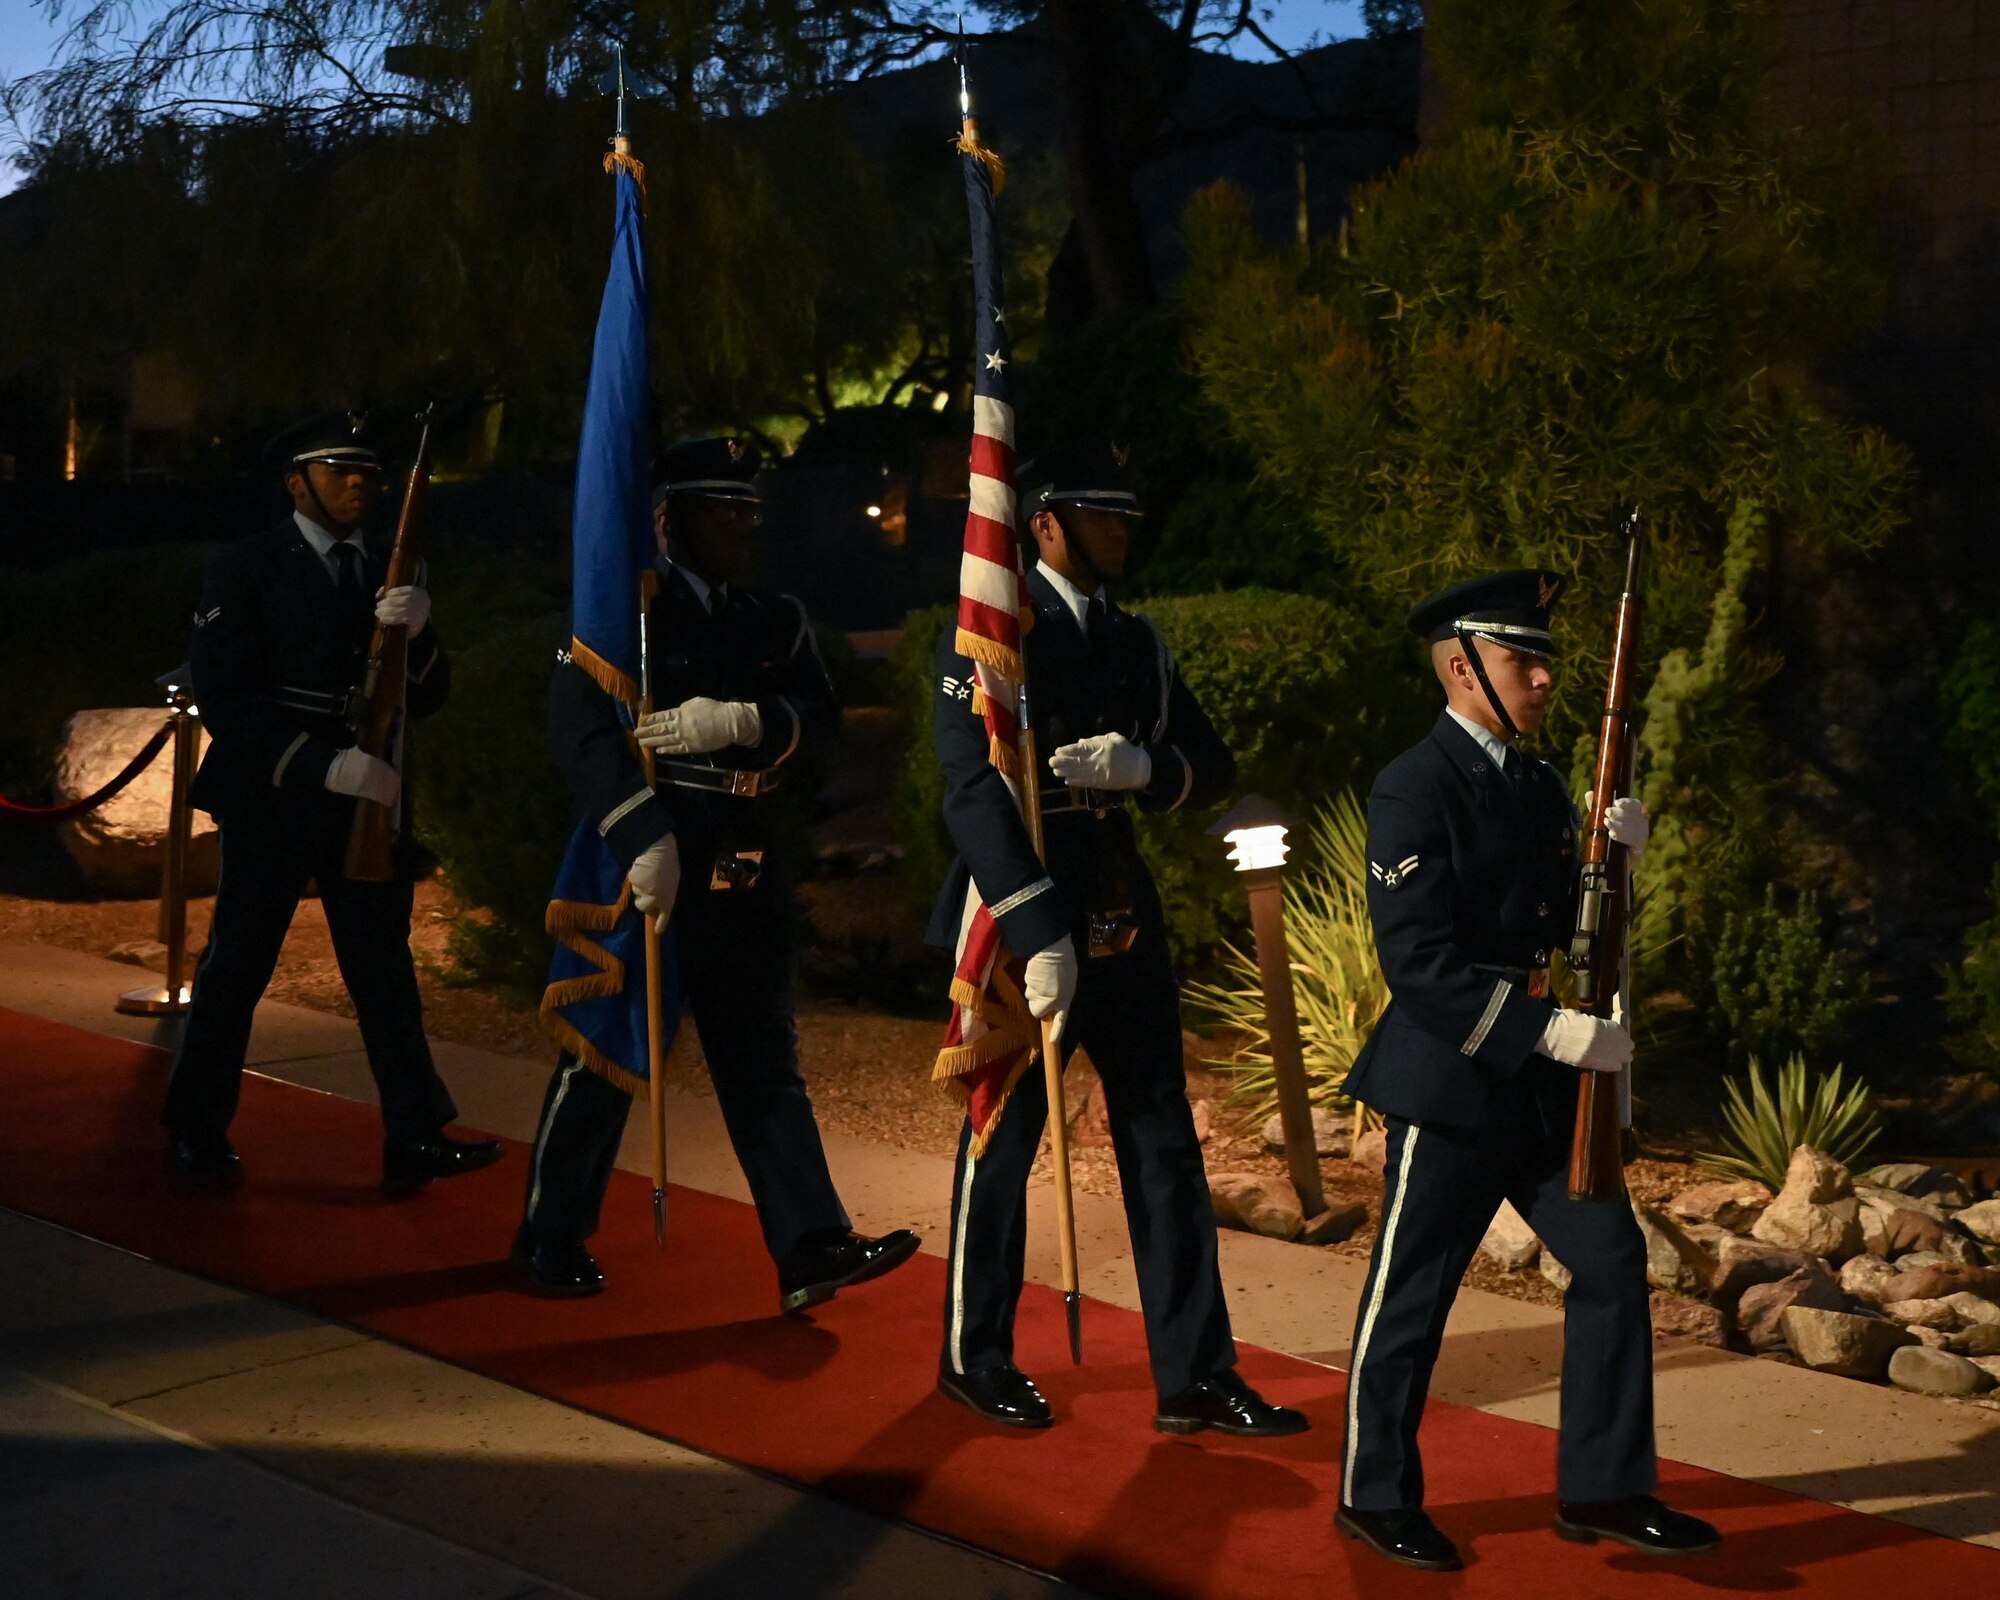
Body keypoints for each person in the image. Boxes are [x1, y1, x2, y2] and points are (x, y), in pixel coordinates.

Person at [1334, 570, 1719, 1571]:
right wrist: (1543, 1033)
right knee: (1411, 1295)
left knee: (1611, 1264)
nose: (1544, 677)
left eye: (1543, 659)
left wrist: (1613, 864)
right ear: (1461, 667)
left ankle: (1602, 1483)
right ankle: (1372, 1495)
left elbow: (1572, 932)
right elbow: (1416, 963)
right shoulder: (1413, 784)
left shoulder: (1538, 784)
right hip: (1455, 1079)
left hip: (1545, 1090)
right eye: (1521, 659)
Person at [927, 438, 1307, 1438]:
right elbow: (969, 786)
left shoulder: (1136, 643)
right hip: (1024, 914)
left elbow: (1208, 761)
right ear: (1043, 523)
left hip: (1117, 906)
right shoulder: (996, 632)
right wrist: (1031, 920)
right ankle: (974, 1354)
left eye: (1126, 515)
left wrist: (1145, 768)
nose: (1121, 531)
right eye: (1101, 515)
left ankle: (1194, 1371)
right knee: (1000, 1141)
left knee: (1162, 1143)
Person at [514, 436, 920, 1307]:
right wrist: (637, 830)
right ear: (669, 520)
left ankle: (810, 1244)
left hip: (745, 849)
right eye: (721, 508)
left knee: (763, 1058)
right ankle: (550, 1230)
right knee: (607, 1052)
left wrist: (749, 718)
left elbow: (822, 716)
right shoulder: (622, 615)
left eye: (749, 508)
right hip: (655, 852)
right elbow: (579, 732)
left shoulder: (773, 615)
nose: (743, 524)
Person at [164, 411, 501, 1193]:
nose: (359, 485)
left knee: (385, 976)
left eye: (369, 474)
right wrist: (322, 765)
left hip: (365, 805)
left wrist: (420, 635)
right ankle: (196, 1127)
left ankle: (416, 1130)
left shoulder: (390, 568)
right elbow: (227, 696)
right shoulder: (248, 565)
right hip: (278, 796)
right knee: (236, 970)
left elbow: (428, 695)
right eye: (339, 470)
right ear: (296, 481)